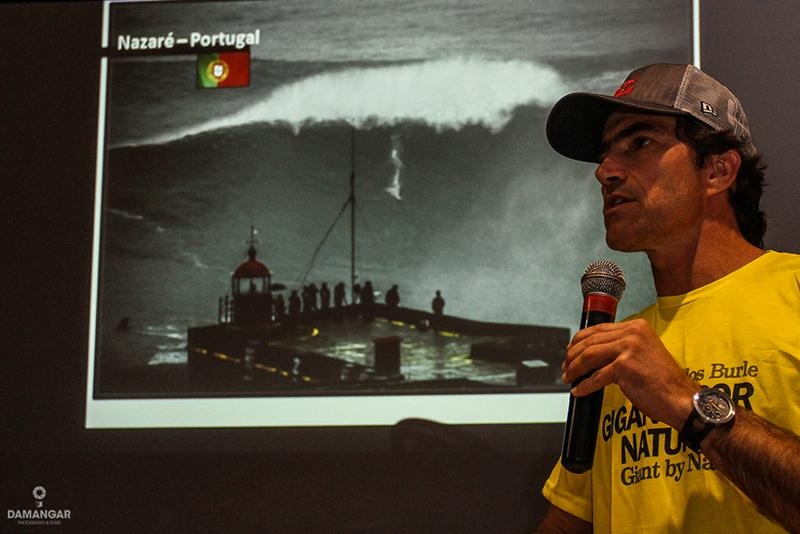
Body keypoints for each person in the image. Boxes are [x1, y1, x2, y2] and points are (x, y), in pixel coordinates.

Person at [535, 64, 800, 533]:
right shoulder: (620, 347)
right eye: (605, 154)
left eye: (639, 143)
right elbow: (570, 521)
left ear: (717, 170)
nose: (604, 172)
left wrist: (684, 399)